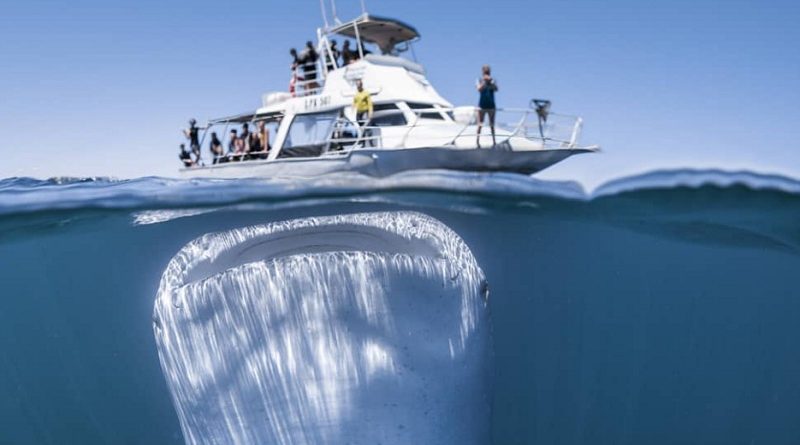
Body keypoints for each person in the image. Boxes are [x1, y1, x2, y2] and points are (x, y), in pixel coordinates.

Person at [476, 65, 498, 147]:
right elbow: (479, 89)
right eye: (485, 71)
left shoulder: (493, 80)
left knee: (492, 125)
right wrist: (484, 82)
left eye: (488, 72)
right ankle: (477, 141)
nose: (486, 73)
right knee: (480, 124)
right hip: (482, 106)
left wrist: (491, 82)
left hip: (491, 106)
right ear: (482, 72)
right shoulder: (479, 80)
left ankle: (494, 141)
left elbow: (496, 89)